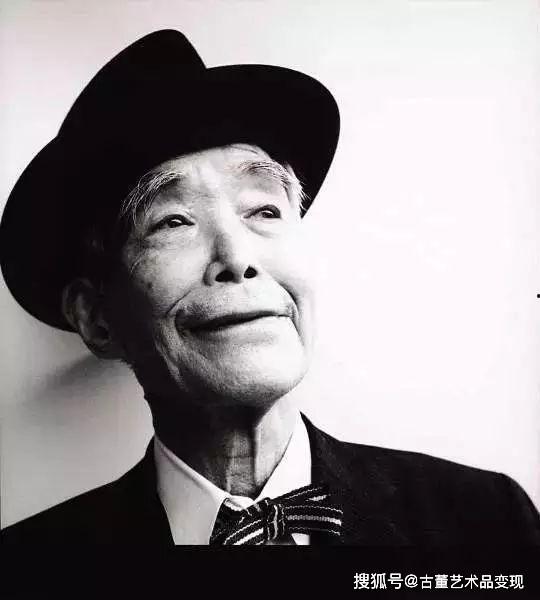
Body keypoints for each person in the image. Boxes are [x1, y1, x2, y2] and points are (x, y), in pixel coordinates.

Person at [1, 29, 539, 546]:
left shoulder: (488, 521)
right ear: (97, 319)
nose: (238, 259)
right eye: (173, 221)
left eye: (264, 210)